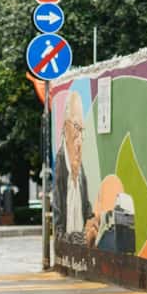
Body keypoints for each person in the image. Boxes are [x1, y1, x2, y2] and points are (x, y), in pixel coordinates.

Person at [52, 91, 98, 245]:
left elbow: (87, 210)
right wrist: (82, 238)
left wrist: (94, 221)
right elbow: (59, 230)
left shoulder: (80, 170)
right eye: (77, 127)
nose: (80, 137)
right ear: (66, 127)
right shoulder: (61, 164)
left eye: (82, 130)